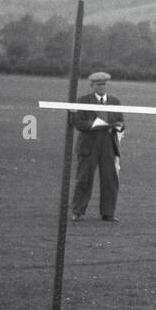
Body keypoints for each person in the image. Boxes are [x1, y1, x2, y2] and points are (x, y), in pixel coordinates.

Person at [69, 71, 124, 222]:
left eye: (104, 84)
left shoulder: (114, 101)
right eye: (99, 85)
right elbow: (78, 122)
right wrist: (95, 124)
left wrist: (119, 127)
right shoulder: (83, 101)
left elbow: (120, 120)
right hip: (89, 145)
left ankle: (108, 213)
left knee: (110, 179)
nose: (102, 87)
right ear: (92, 86)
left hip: (108, 144)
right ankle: (77, 211)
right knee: (84, 178)